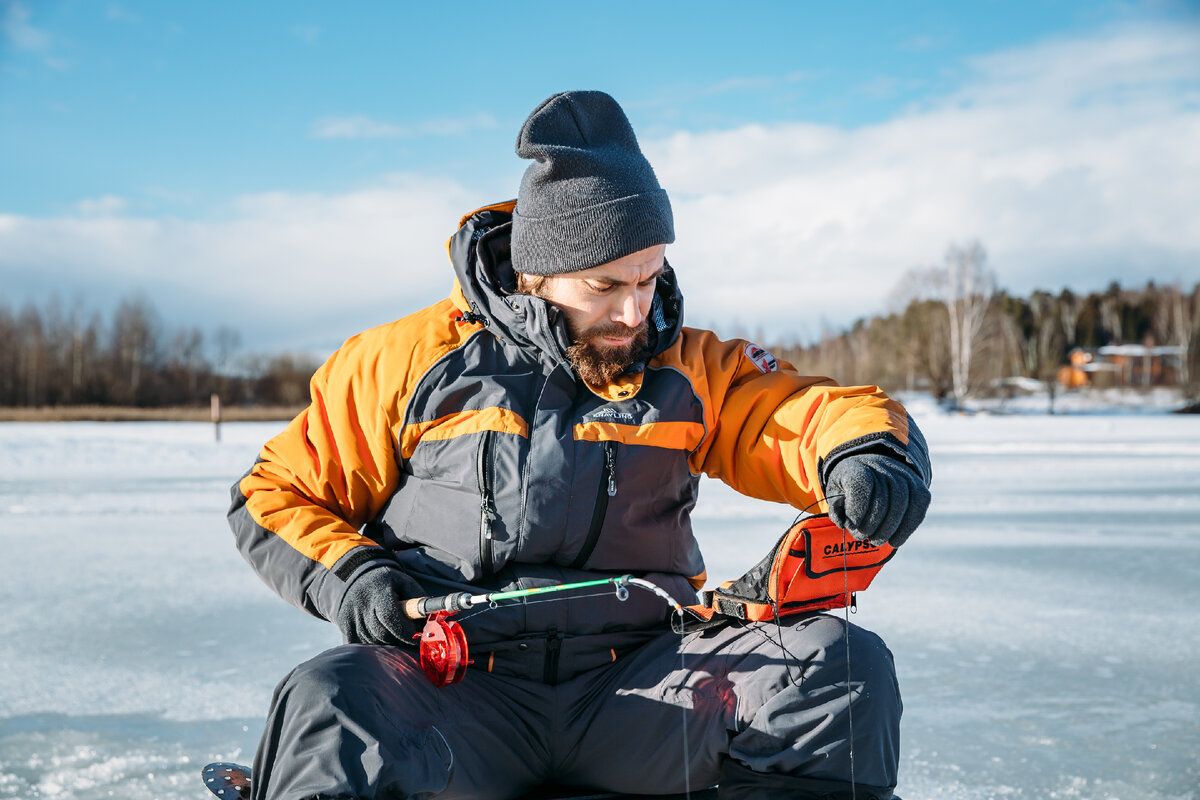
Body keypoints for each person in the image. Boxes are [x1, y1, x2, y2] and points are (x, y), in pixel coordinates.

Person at [227, 90, 932, 800]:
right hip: (456, 694)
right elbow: (275, 493)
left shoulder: (686, 368)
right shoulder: (405, 361)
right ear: (538, 271)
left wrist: (867, 451)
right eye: (606, 285)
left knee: (836, 670)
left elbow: (795, 411)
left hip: (645, 685)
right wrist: (351, 574)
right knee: (330, 701)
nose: (634, 311)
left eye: (649, 277)